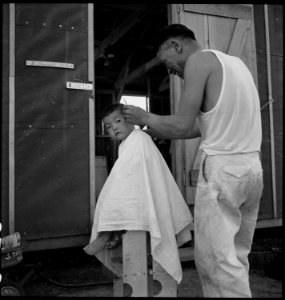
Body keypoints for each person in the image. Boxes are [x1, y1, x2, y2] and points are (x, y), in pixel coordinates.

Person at [123, 24, 263, 297]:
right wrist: (152, 131)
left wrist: (145, 117)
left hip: (223, 170)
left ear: (176, 45)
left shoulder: (199, 61)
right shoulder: (236, 65)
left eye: (166, 61)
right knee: (235, 256)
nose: (171, 71)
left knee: (214, 262)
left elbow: (181, 124)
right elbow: (197, 128)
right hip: (251, 170)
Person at [84, 103, 193, 283]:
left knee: (123, 205)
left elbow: (130, 179)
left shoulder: (139, 139)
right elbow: (126, 178)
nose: (114, 128)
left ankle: (110, 234)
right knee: (123, 205)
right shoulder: (127, 143)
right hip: (141, 202)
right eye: (109, 127)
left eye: (118, 121)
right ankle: (112, 234)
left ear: (130, 121)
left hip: (143, 202)